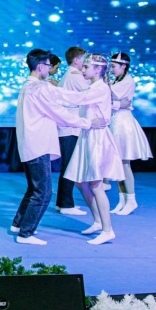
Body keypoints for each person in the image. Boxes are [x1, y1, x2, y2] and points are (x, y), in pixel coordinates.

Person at [12, 49, 108, 245]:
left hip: (32, 143)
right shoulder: (38, 89)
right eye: (49, 66)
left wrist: (87, 95)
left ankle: (18, 224)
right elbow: (59, 113)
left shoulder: (33, 86)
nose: (50, 69)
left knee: (34, 188)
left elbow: (64, 95)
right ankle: (25, 233)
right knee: (43, 192)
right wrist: (87, 123)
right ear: (41, 66)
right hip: (37, 144)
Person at [64, 54, 126, 245]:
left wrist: (51, 91)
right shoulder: (92, 87)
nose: (82, 70)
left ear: (98, 69)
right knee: (80, 182)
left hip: (97, 139)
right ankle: (98, 221)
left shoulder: (100, 88)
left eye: (86, 67)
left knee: (96, 184)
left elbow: (78, 98)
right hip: (87, 136)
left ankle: (108, 229)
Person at [108, 52, 153, 215]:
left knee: (124, 163)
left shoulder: (127, 81)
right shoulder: (116, 80)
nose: (111, 69)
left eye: (114, 66)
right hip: (115, 121)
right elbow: (112, 101)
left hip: (123, 123)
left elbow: (108, 96)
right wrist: (117, 103)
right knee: (118, 164)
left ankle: (131, 199)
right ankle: (122, 199)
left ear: (123, 66)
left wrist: (115, 101)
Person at [54, 46, 89, 216]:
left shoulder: (71, 75)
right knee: (69, 166)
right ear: (76, 60)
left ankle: (63, 202)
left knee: (68, 165)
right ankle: (66, 204)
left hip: (69, 126)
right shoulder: (75, 76)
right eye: (84, 60)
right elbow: (91, 94)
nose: (87, 64)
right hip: (70, 127)